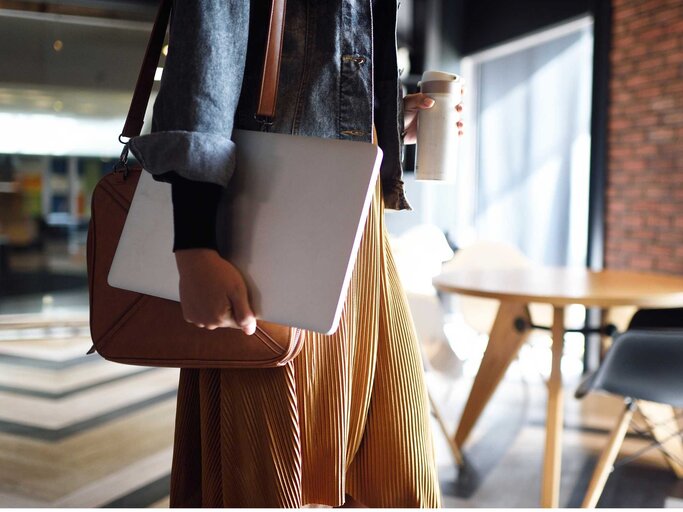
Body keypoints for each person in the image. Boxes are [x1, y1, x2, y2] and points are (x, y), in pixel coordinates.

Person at [128, 0, 463, 507]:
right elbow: (205, 57)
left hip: (354, 218)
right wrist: (195, 241)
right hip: (268, 216)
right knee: (265, 474)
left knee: (394, 472)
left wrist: (388, 118)